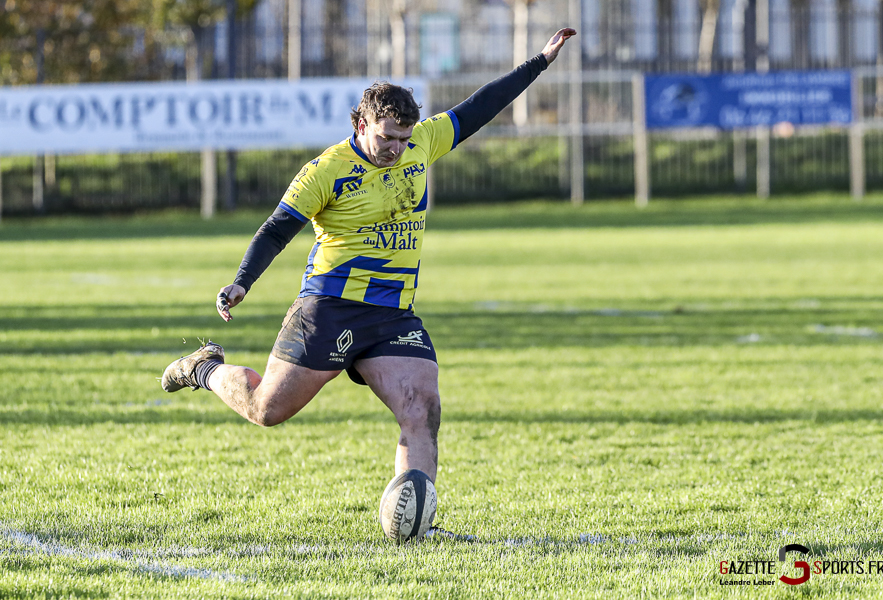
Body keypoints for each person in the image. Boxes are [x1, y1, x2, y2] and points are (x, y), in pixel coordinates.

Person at [161, 27, 576, 493]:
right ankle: (204, 368)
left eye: (403, 138)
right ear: (361, 125)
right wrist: (242, 282)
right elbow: (277, 229)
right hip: (330, 306)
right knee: (266, 410)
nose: (396, 148)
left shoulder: (420, 144)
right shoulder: (325, 171)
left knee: (422, 408)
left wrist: (539, 61)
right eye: (387, 138)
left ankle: (416, 522)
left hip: (393, 315)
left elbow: (480, 107)